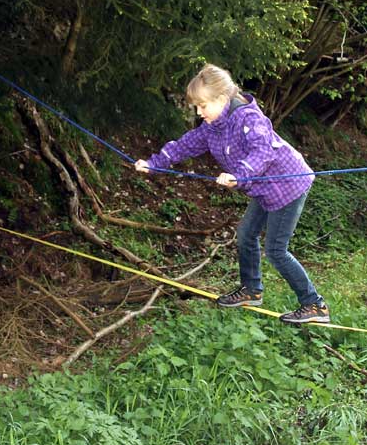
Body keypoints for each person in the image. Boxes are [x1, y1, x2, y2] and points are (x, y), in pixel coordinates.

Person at [135, 64, 330, 324]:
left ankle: (315, 305)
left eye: (202, 105)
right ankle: (252, 290)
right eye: (197, 106)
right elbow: (186, 145)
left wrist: (240, 174)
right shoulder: (213, 126)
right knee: (246, 234)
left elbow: (263, 151)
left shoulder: (249, 119)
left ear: (221, 99)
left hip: (288, 185)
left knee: (275, 250)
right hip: (265, 190)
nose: (199, 112)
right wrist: (154, 163)